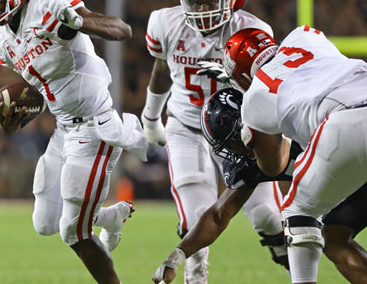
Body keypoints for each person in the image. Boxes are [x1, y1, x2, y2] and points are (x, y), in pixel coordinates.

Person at [0, 0, 147, 284]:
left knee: (73, 231)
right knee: (45, 223)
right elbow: (40, 78)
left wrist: (80, 22)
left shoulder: (48, 0)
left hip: (96, 127)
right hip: (63, 130)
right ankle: (110, 218)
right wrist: (15, 103)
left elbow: (121, 30)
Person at [141, 0, 285, 283]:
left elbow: (267, 89)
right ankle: (196, 276)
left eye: (210, 2)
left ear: (230, 0)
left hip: (235, 129)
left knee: (267, 215)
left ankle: (284, 250)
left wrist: (236, 83)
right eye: (196, 3)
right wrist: (151, 115)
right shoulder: (165, 22)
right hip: (186, 125)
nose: (203, 11)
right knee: (195, 214)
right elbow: (162, 69)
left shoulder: (251, 30)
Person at [153, 87, 367, 283]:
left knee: (299, 215)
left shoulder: (296, 120)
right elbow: (219, 215)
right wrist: (176, 256)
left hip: (356, 146)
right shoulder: (253, 155)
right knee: (333, 238)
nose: (231, 152)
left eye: (230, 143)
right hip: (351, 179)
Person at [221, 25, 367, 283]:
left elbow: (272, 166)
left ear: (242, 77)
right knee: (334, 235)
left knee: (299, 211)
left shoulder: (254, 96)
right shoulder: (304, 35)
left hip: (350, 123)